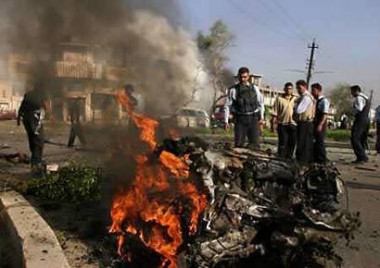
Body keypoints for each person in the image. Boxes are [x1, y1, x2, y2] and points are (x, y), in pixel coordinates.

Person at [224, 67, 264, 149]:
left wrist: (262, 118)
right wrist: (226, 121)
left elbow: (261, 104)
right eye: (241, 77)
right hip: (240, 119)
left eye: (245, 77)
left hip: (253, 118)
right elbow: (227, 106)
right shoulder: (233, 90)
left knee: (255, 145)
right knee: (238, 145)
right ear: (238, 76)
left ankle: (253, 161)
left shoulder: (255, 89)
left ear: (248, 77)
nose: (243, 79)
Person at [17, 82, 48, 175]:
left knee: (32, 139)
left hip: (26, 120)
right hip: (35, 119)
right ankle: (36, 164)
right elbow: (46, 106)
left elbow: (21, 108)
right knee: (39, 141)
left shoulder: (28, 94)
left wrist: (18, 119)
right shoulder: (42, 93)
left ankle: (36, 160)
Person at [272, 82, 297, 159]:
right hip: (283, 124)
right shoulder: (279, 99)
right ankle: (281, 158)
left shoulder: (296, 99)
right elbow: (275, 112)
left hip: (293, 124)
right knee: (283, 142)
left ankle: (289, 158)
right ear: (284, 89)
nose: (288, 90)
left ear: (292, 89)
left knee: (292, 143)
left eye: (290, 89)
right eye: (287, 88)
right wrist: (273, 124)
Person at [293, 80, 315, 164]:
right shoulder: (303, 97)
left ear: (305, 87)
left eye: (300, 88)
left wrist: (295, 105)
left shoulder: (306, 97)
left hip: (305, 123)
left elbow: (299, 110)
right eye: (297, 88)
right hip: (304, 123)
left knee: (303, 143)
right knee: (303, 142)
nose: (298, 90)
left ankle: (302, 161)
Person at [350, 85, 370, 164]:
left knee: (355, 138)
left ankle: (362, 156)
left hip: (360, 119)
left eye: (352, 92)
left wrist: (352, 111)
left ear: (356, 91)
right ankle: (362, 156)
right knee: (362, 138)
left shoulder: (359, 98)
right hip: (366, 119)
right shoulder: (366, 98)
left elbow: (359, 109)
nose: (351, 94)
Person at [311, 83, 330, 164]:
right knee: (315, 141)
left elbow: (325, 114)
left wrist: (320, 124)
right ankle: (316, 158)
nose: (312, 92)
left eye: (314, 90)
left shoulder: (324, 101)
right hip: (316, 123)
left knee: (319, 142)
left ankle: (323, 159)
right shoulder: (317, 101)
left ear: (319, 91)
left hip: (320, 124)